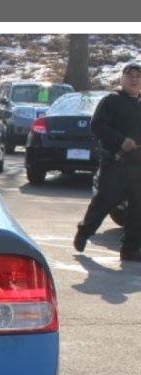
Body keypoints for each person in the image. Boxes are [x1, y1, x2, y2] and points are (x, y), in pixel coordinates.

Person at [74, 62, 141, 261]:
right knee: (103, 203)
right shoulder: (111, 101)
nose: (134, 79)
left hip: (138, 168)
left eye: (138, 76)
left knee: (138, 210)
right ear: (122, 79)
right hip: (115, 165)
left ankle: (130, 250)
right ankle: (84, 232)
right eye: (130, 75)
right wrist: (121, 141)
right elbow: (97, 126)